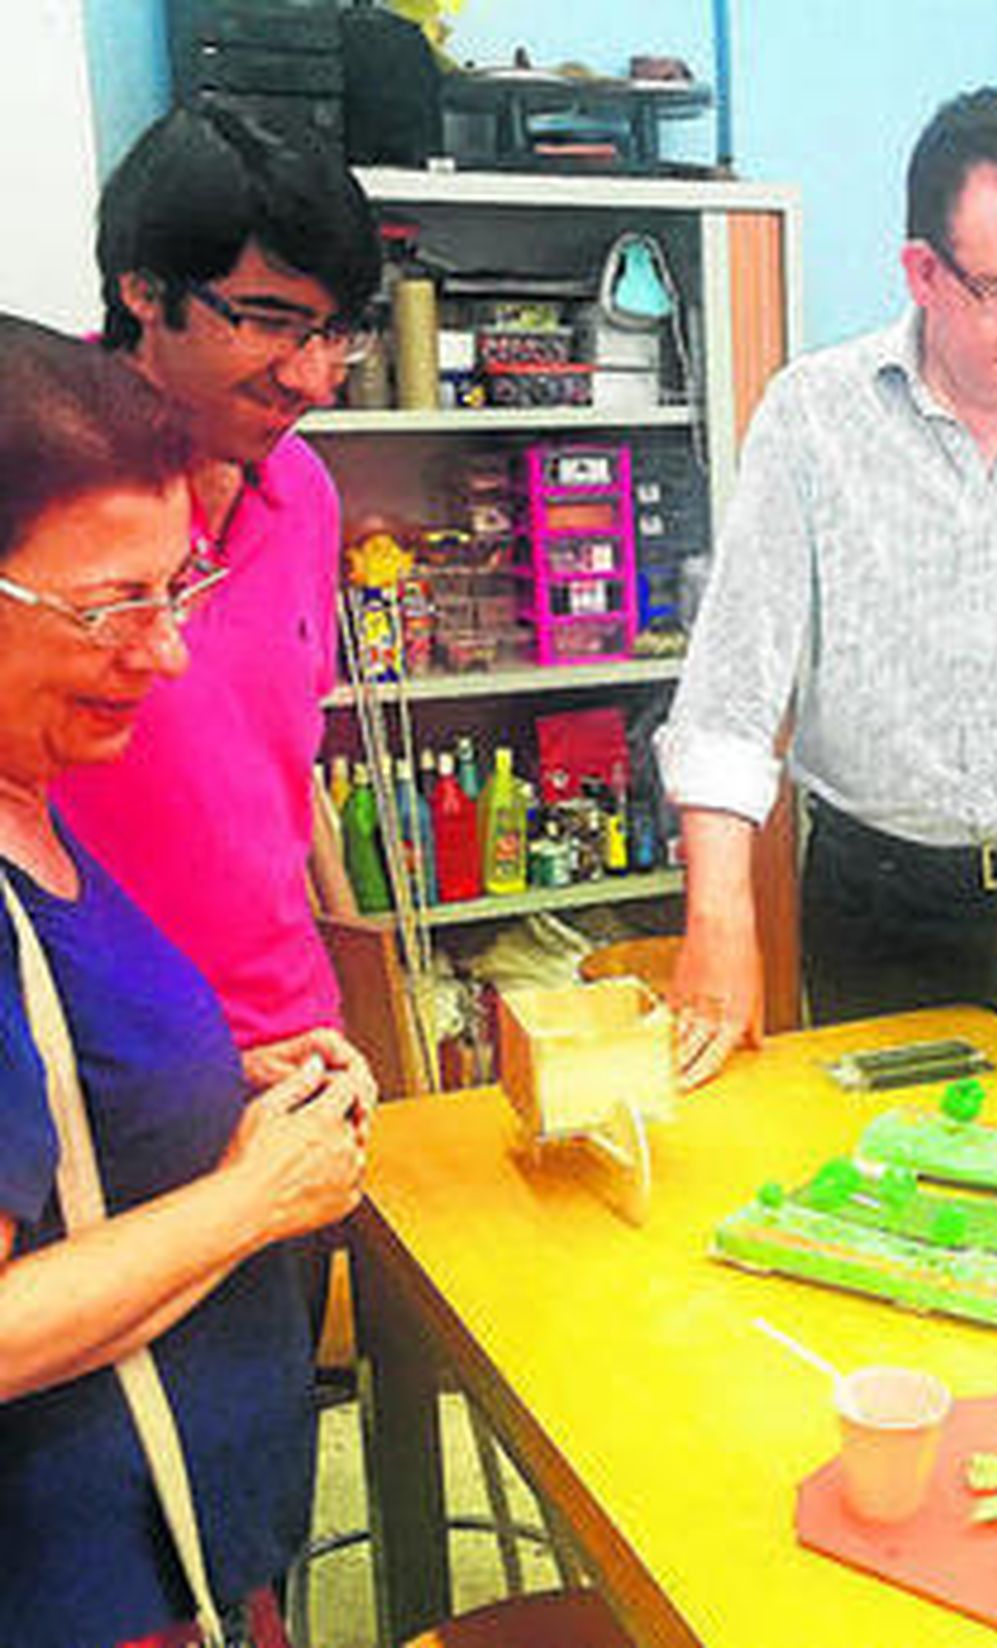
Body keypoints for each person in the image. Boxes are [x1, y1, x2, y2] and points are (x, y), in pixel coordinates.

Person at [656, 85, 997, 1092]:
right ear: (922, 271)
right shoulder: (813, 416)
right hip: (877, 903)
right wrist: (720, 918)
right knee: (887, 1205)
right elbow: (731, 701)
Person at [0, 317, 371, 1646]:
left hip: (176, 1559)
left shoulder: (40, 801)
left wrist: (220, 1086)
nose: (164, 655)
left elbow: (59, 1112)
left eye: (177, 593)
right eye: (113, 608)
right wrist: (253, 1198)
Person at [53, 101, 383, 1073]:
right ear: (145, 289)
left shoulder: (303, 490)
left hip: (292, 1043)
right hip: (95, 1075)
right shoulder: (36, 476)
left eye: (336, 333)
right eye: (272, 323)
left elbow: (263, 787)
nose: (314, 377)